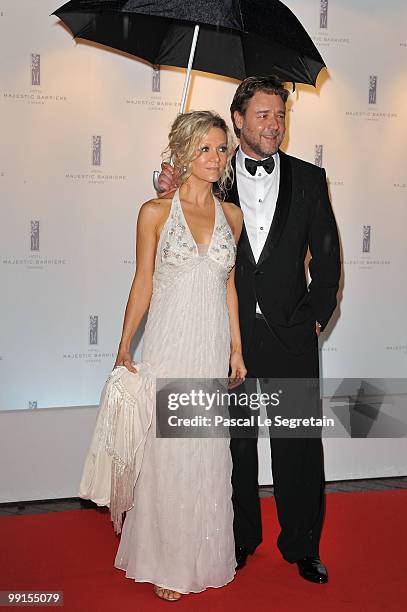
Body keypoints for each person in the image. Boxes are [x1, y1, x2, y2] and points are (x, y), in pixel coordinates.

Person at [158, 75, 341, 584]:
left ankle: (303, 544)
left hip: (292, 335)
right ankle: (239, 539)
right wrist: (169, 188)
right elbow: (175, 223)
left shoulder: (308, 178)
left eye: (280, 115)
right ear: (237, 120)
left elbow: (328, 261)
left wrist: (315, 320)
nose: (274, 125)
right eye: (262, 115)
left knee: (298, 446)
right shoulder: (212, 177)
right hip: (229, 335)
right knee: (233, 443)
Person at [113, 111, 245, 601]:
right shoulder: (154, 212)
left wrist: (236, 346)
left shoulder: (232, 215)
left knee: (206, 451)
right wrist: (125, 342)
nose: (216, 158)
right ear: (184, 150)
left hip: (210, 344)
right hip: (170, 343)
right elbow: (143, 281)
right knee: (168, 451)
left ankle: (202, 554)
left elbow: (229, 285)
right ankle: (167, 560)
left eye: (222, 149)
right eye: (206, 148)